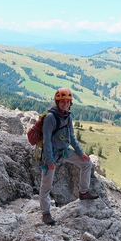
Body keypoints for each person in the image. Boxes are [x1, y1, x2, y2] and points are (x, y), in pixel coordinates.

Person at [40, 88, 99, 225]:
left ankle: (84, 192)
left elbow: (72, 137)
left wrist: (80, 152)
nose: (65, 104)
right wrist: (49, 160)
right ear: (57, 102)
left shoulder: (68, 116)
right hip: (51, 153)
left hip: (64, 151)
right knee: (46, 185)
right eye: (62, 102)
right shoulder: (50, 117)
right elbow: (46, 140)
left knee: (87, 163)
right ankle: (45, 213)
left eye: (67, 102)